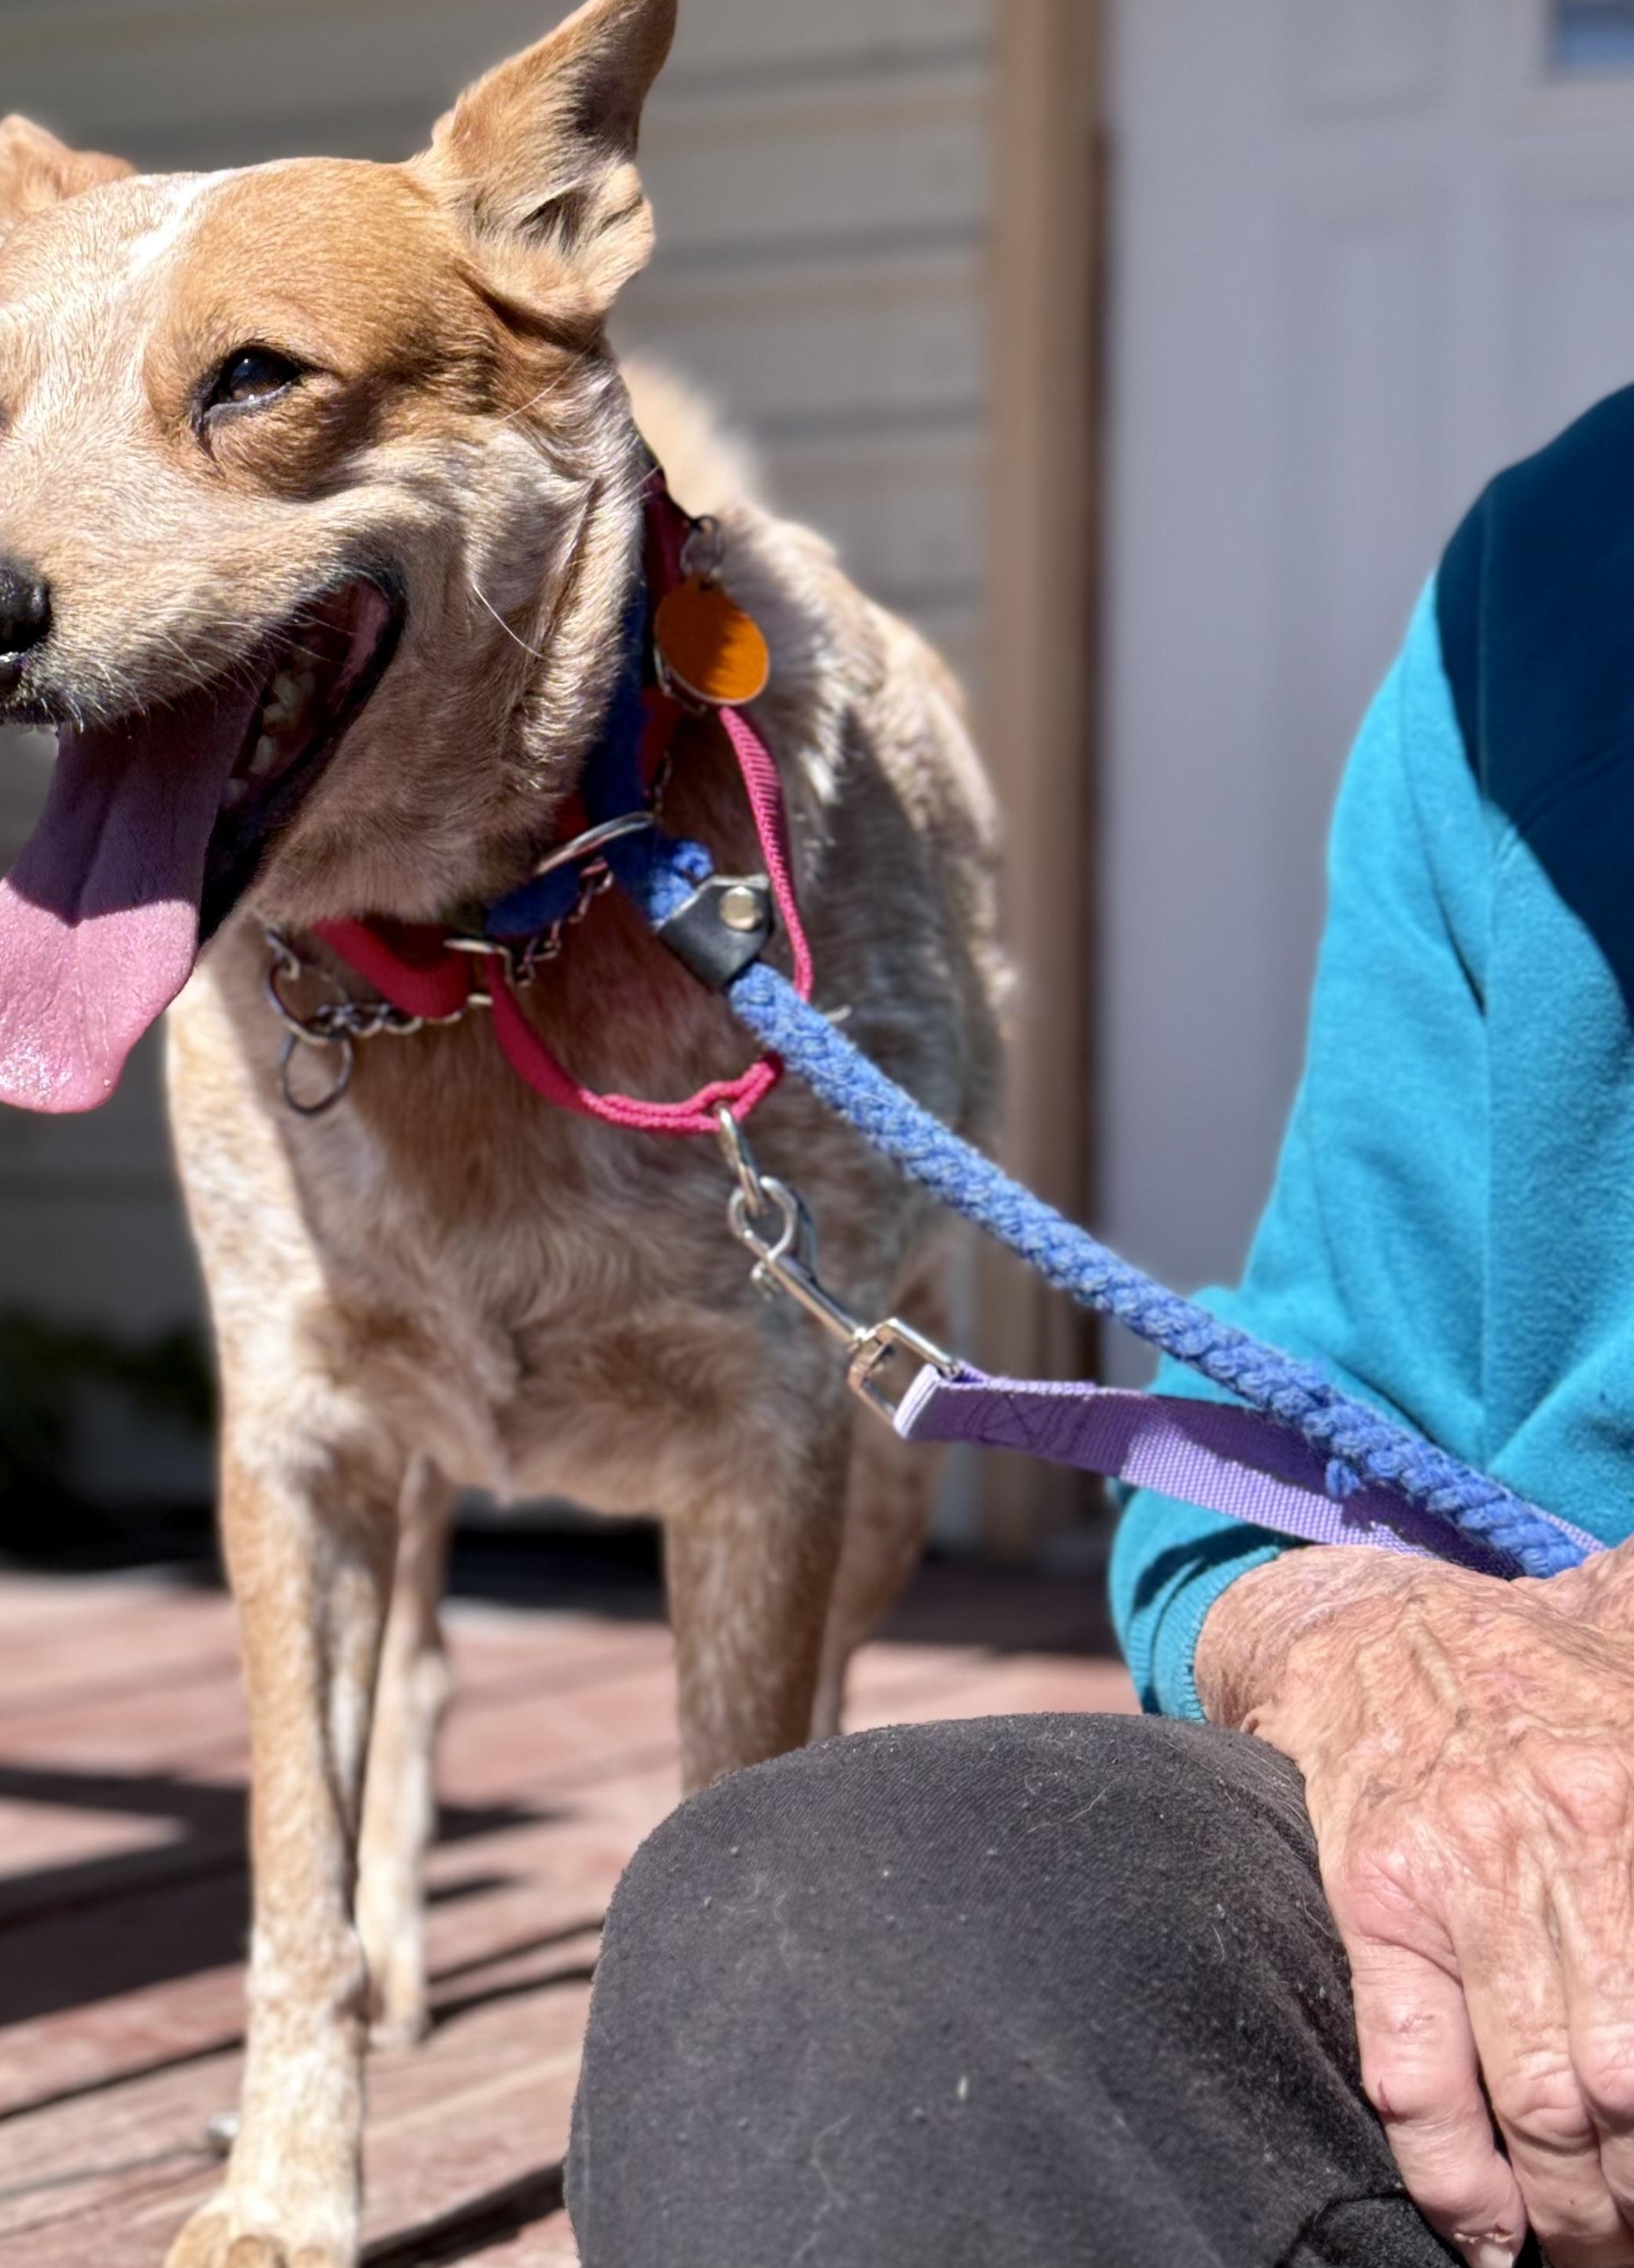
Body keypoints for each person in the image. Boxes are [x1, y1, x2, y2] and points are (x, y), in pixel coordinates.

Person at [564, 390, 1634, 2268]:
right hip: (1527, 1915)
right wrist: (1350, 1627)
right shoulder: (1545, 583)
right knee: (828, 1916)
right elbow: (1307, 1427)